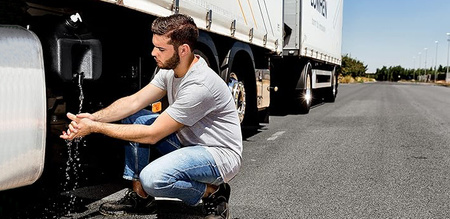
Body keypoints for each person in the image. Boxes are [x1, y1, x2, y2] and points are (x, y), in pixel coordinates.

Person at [60, 14, 242, 219]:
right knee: (135, 117)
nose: (153, 53)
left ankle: (213, 193)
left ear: (183, 50)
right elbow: (134, 102)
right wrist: (93, 118)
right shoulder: (171, 70)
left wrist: (95, 128)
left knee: (153, 178)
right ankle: (141, 198)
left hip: (217, 155)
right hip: (188, 143)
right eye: (154, 46)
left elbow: (152, 134)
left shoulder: (200, 85)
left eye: (161, 49)